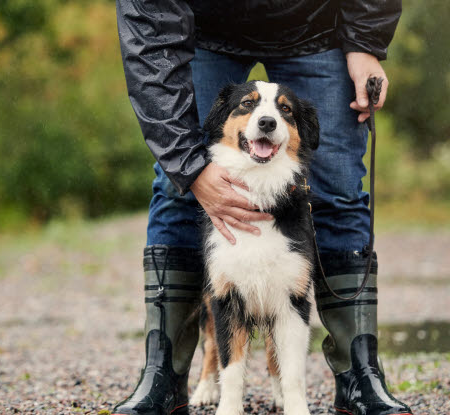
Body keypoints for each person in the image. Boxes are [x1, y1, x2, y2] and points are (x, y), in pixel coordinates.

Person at [112, 1, 412, 414]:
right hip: (198, 29)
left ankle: (359, 375)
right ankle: (162, 374)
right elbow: (148, 28)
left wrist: (364, 43)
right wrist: (190, 167)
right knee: (176, 188)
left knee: (340, 189)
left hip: (318, 26)